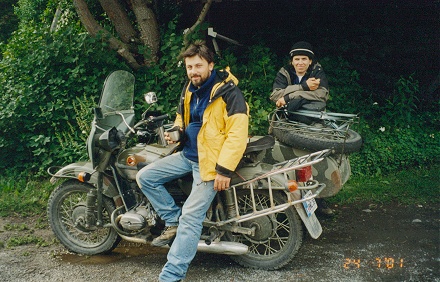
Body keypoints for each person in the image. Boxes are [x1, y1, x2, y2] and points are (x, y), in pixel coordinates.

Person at [136, 40, 249, 282]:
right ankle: (171, 220)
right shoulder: (190, 88)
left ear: (211, 64)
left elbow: (238, 134)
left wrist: (224, 171)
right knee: (145, 176)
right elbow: (182, 116)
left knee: (191, 216)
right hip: (188, 155)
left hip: (210, 164)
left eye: (198, 66)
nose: (193, 72)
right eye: (189, 67)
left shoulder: (228, 93)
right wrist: (176, 130)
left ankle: (171, 276)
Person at [270, 41, 329, 118]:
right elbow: (275, 95)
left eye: (304, 59)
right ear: (292, 61)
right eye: (297, 59)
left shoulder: (316, 72)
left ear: (310, 61)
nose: (300, 63)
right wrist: (303, 87)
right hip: (285, 117)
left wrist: (288, 97)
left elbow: (322, 95)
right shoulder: (284, 72)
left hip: (313, 117)